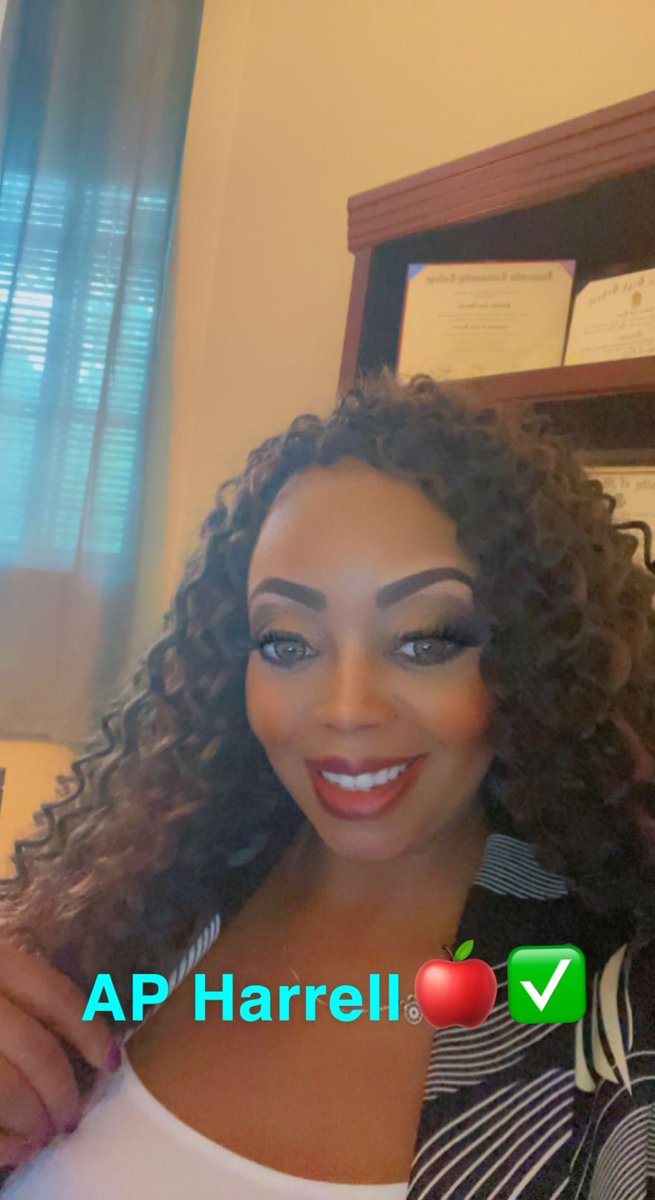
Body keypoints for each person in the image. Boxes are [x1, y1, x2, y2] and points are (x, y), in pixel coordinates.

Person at [0, 369, 653, 1199]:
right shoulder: (135, 904)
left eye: (425, 640)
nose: (345, 709)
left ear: (531, 658)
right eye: (287, 642)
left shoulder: (613, 1011)